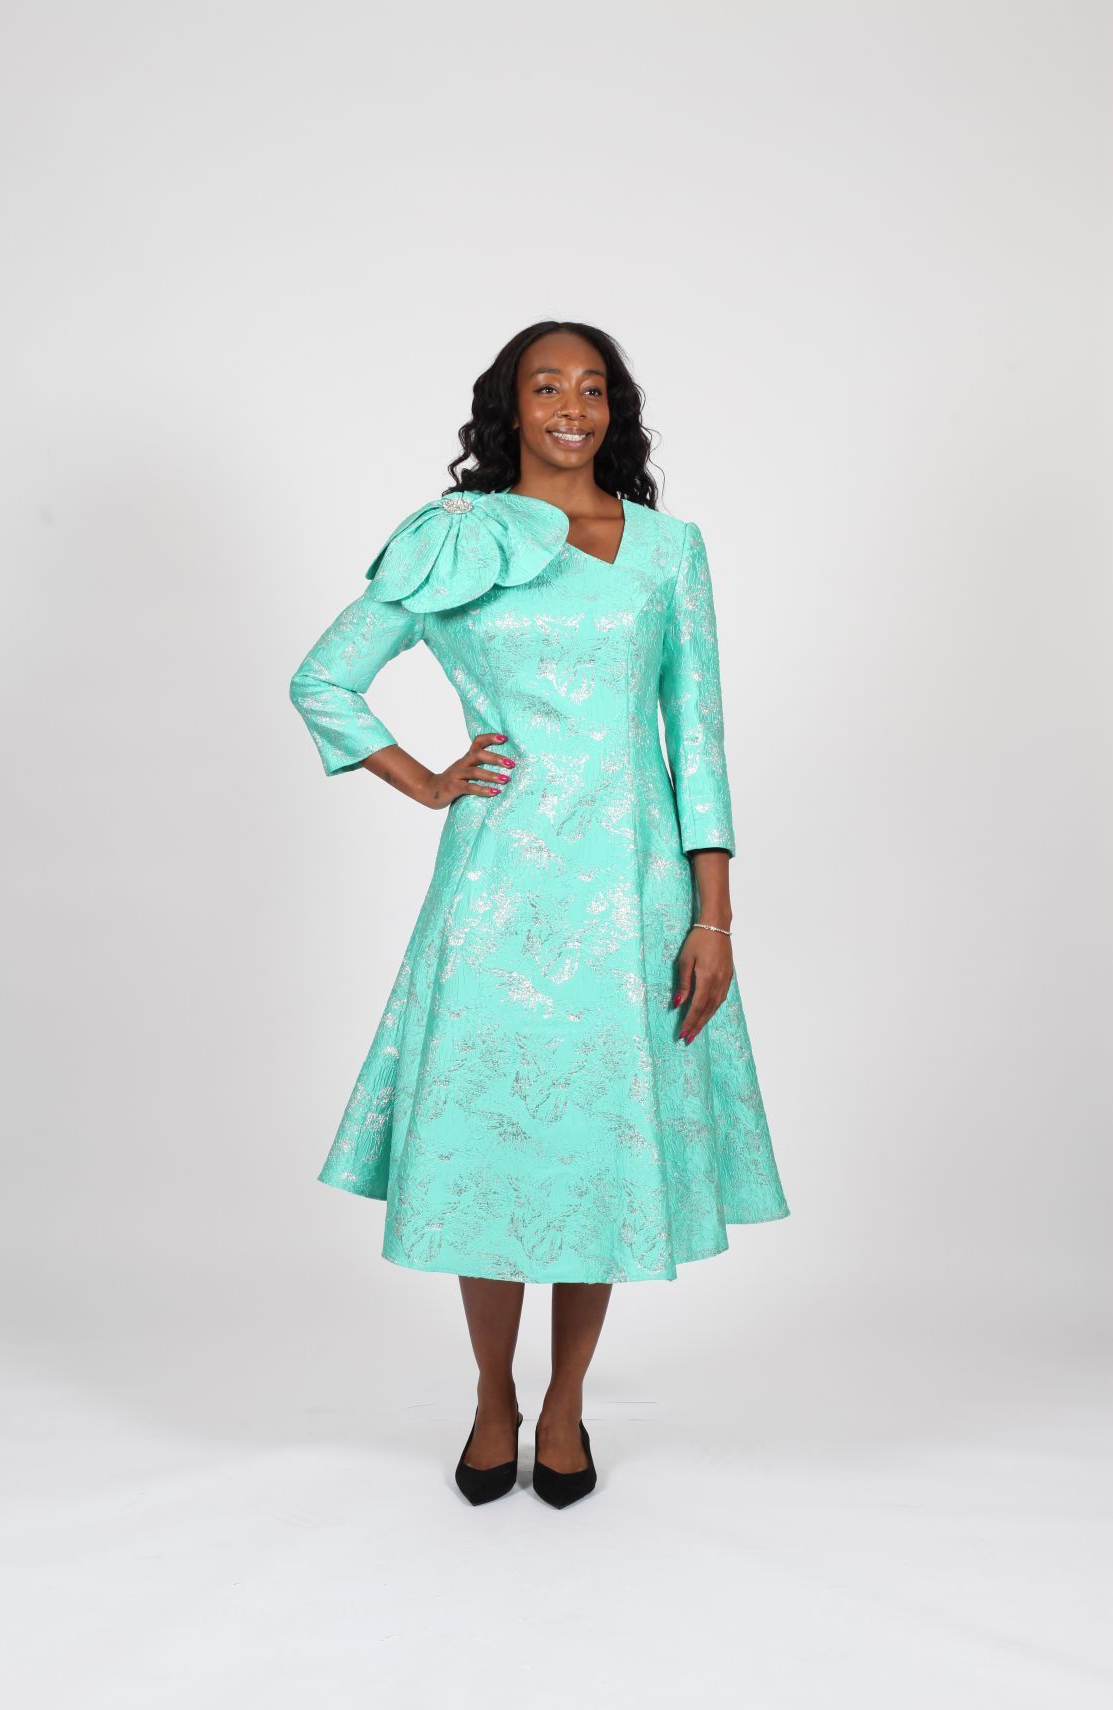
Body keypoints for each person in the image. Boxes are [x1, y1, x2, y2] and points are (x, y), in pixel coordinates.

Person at [289, 320, 790, 1508]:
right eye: (547, 385)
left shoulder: (669, 550)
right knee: (492, 1146)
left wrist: (714, 917)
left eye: (593, 387)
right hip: (499, 892)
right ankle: (492, 1396)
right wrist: (426, 780)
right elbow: (325, 676)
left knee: (597, 1148)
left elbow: (699, 739)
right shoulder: (455, 538)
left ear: (617, 409)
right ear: (508, 407)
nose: (573, 406)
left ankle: (564, 1404)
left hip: (634, 893)